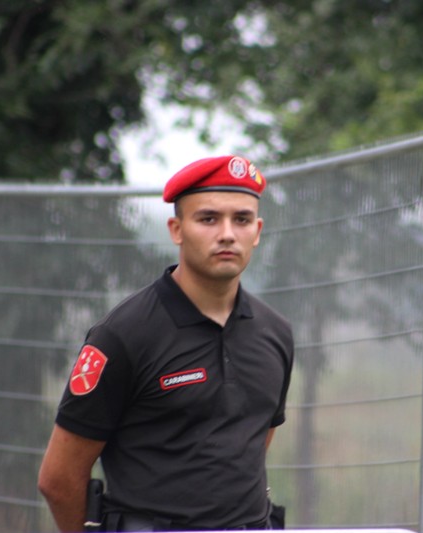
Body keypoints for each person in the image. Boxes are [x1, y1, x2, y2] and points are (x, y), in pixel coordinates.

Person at [38, 155, 294, 532]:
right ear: (177, 229)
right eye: (208, 219)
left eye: (241, 220)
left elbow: (252, 447)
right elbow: (58, 479)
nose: (227, 234)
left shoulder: (276, 333)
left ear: (257, 231)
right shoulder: (123, 335)